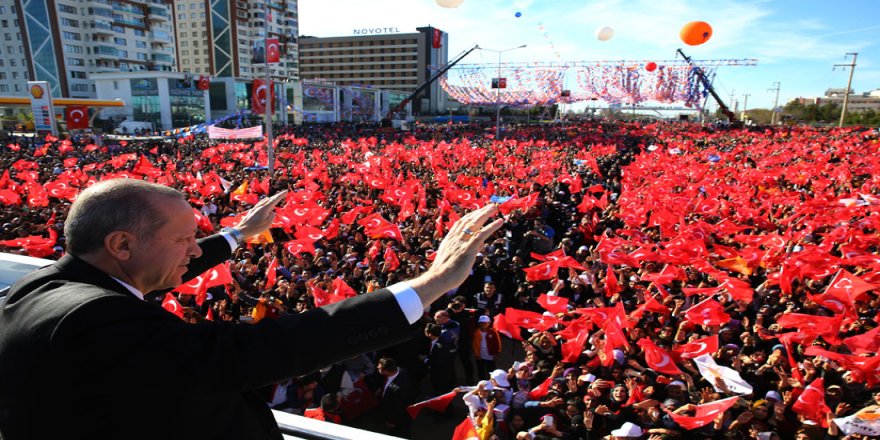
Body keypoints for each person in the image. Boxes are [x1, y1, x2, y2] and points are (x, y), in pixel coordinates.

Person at [0, 179, 502, 440]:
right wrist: (432, 283)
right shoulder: (100, 322)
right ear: (122, 244)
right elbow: (269, 347)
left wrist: (239, 233)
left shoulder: (45, 288)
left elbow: (146, 284)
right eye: (185, 239)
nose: (195, 251)